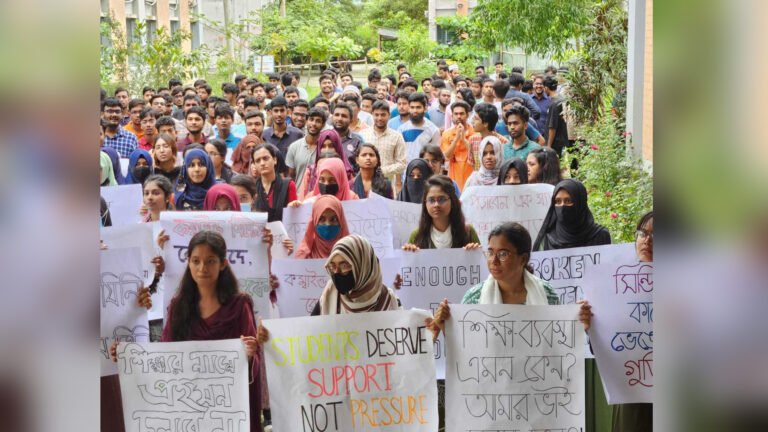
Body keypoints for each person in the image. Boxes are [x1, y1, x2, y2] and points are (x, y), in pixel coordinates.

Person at [111, 231, 264, 432]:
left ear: (223, 264)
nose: (202, 268)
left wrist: (251, 353)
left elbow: (253, 361)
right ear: (188, 262)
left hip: (227, 409)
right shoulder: (178, 307)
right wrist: (127, 356)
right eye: (196, 261)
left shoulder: (239, 306)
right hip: (189, 410)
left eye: (210, 261)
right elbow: (166, 359)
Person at [607, 211, 653, 432]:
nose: (647, 241)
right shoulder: (618, 284)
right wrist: (591, 327)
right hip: (633, 391)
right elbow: (606, 343)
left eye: (656, 235)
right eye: (642, 233)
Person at [402, 175, 481, 250]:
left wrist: (475, 252)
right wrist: (409, 253)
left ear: (452, 202)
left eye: (442, 199)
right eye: (431, 200)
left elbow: (481, 262)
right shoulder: (417, 235)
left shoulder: (468, 232)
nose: (436, 205)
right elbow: (409, 263)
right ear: (425, 203)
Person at [533, 178, 611, 250]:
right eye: (558, 201)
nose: (562, 206)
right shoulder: (547, 238)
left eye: (568, 201)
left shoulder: (600, 235)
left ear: (580, 203)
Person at [360, 100, 407, 194]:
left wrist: (381, 171)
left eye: (383, 115)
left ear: (389, 115)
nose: (379, 118)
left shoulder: (397, 136)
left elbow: (402, 164)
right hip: (365, 185)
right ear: (372, 115)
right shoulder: (363, 135)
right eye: (376, 115)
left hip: (387, 186)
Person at [297, 129, 354, 200]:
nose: (327, 150)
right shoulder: (310, 172)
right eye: (323, 146)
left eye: (331, 146)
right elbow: (303, 201)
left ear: (338, 147)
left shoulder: (347, 172)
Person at [252, 143, 297, 222]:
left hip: (284, 232)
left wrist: (292, 207)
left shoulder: (288, 185)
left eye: (265, 158)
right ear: (254, 165)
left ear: (275, 160)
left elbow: (294, 215)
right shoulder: (253, 187)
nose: (262, 163)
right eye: (258, 160)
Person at [286, 108, 326, 192]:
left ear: (323, 125)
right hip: (298, 197)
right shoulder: (294, 147)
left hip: (319, 196)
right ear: (306, 121)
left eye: (318, 121)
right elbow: (290, 176)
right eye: (311, 120)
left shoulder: (325, 147)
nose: (314, 124)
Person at [440, 100, 475, 192]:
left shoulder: (475, 132)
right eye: (456, 114)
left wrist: (463, 139)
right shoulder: (446, 134)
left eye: (461, 113)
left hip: (472, 179)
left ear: (467, 115)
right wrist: (456, 139)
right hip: (454, 179)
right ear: (452, 116)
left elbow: (477, 156)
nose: (459, 116)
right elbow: (446, 157)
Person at [398, 92, 441, 164]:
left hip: (426, 170)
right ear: (409, 108)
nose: (415, 111)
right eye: (412, 107)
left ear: (425, 108)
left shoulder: (433, 130)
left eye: (418, 107)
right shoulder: (401, 129)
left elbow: (435, 155)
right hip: (405, 171)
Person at [262, 96, 304, 166]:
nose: (279, 114)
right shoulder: (264, 135)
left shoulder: (298, 134)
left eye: (282, 110)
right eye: (276, 111)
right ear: (270, 112)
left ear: (287, 112)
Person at [543, 75, 570, 155]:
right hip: (564, 139)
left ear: (546, 88)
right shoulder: (562, 99)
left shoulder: (554, 103)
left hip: (556, 143)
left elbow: (552, 127)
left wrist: (549, 145)